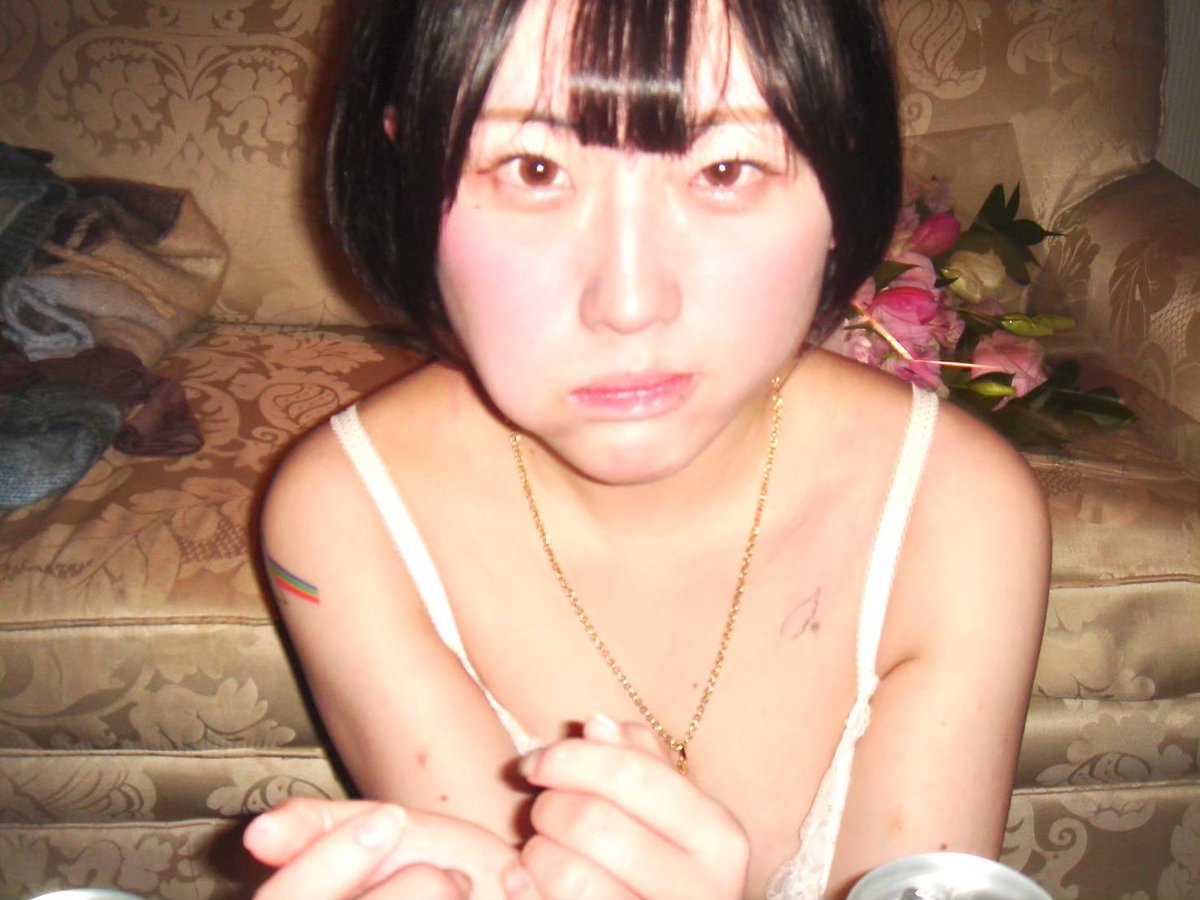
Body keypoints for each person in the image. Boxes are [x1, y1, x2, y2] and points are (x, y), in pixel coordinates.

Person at [244, 0, 1051, 896]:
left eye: (726, 169)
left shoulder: (955, 512)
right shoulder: (347, 517)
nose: (628, 304)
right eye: (533, 168)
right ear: (408, 176)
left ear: (842, 175)